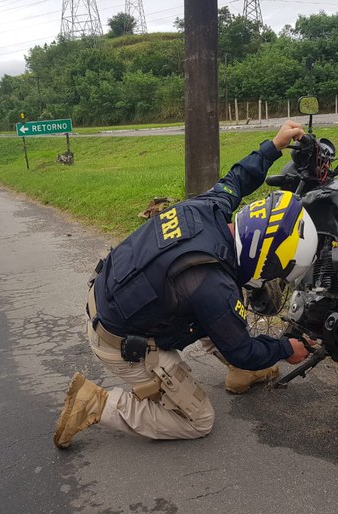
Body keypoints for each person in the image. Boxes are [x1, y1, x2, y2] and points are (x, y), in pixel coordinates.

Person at [54, 119, 317, 449]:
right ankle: (96, 405)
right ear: (264, 256)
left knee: (216, 310)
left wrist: (273, 145)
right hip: (119, 341)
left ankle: (241, 374)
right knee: (198, 421)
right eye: (276, 271)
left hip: (108, 294)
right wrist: (284, 349)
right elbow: (244, 349)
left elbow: (237, 179)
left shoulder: (209, 207)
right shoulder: (214, 285)